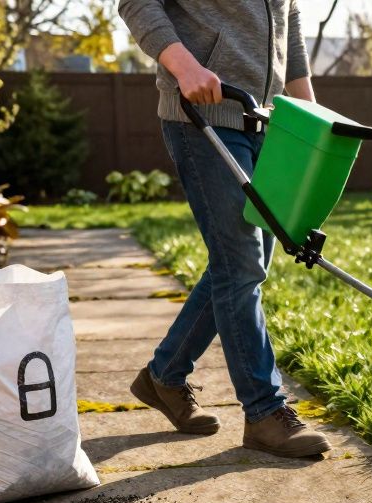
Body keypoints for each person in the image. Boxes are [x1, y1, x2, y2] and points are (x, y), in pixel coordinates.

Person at [118, 0, 330, 457]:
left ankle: (164, 377)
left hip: (268, 121)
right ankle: (264, 411)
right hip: (204, 111)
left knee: (245, 262)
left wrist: (310, 113)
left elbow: (288, 20)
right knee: (240, 264)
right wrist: (185, 67)